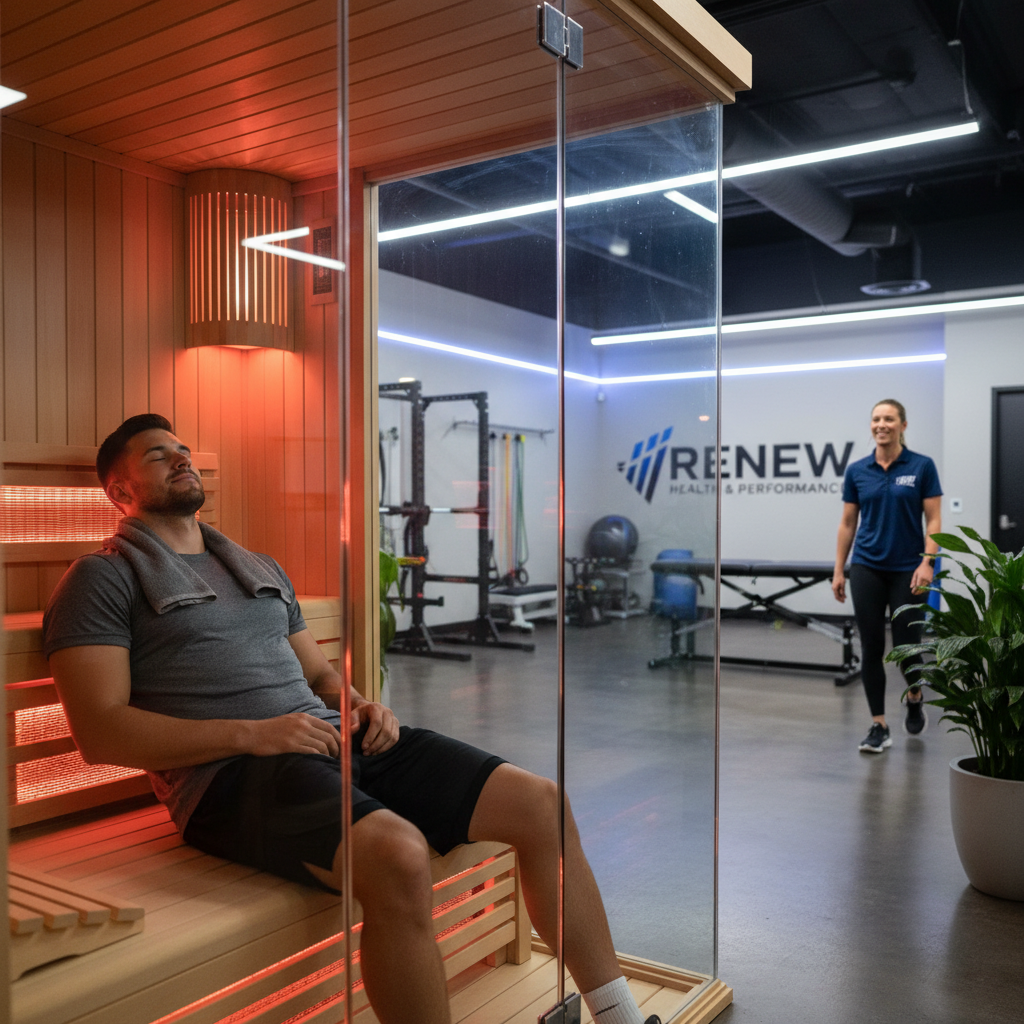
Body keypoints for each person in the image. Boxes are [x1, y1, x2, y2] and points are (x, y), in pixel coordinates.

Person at [43, 414, 659, 1024]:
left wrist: (360, 704)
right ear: (118, 491)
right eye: (157, 455)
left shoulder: (256, 567)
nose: (181, 458)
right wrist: (255, 735)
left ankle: (620, 1016)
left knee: (541, 805)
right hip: (228, 777)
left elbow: (319, 677)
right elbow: (100, 732)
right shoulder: (102, 579)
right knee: (399, 853)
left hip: (328, 738)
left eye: (182, 449)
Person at [831, 399, 942, 753]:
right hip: (866, 566)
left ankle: (914, 694)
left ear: (903, 425)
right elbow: (848, 523)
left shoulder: (922, 466)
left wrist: (927, 563)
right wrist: (839, 570)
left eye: (889, 419)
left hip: (908, 570)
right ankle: (879, 724)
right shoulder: (857, 470)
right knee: (872, 647)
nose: (882, 424)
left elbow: (934, 521)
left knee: (908, 647)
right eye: (876, 419)